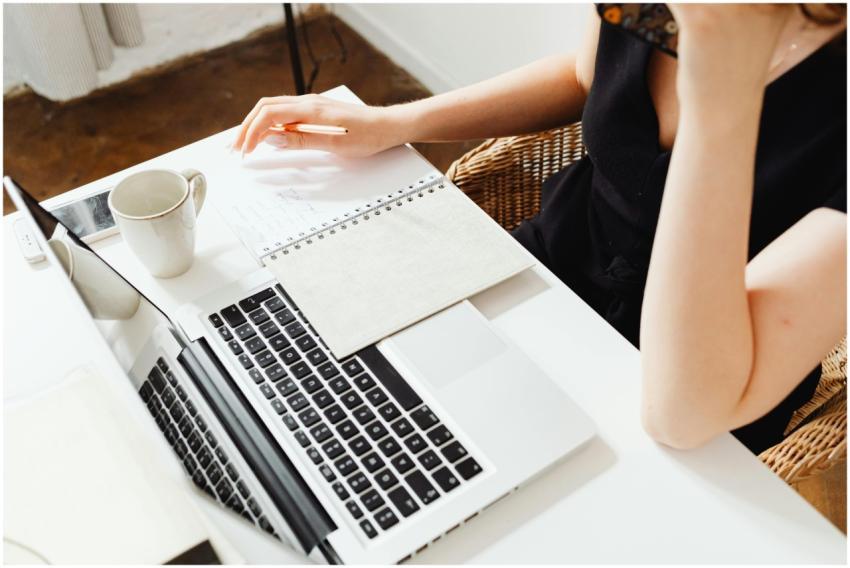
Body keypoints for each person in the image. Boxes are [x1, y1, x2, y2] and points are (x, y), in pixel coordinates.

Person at [232, 4, 847, 454]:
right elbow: (585, 80)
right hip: (546, 275)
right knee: (334, 413)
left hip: (696, 387)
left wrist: (720, 91)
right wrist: (394, 122)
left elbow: (682, 416)